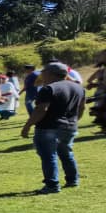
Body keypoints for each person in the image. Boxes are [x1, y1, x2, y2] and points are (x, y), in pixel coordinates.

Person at [21, 62, 86, 194]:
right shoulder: (79, 88)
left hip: (48, 128)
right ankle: (72, 179)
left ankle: (52, 185)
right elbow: (81, 108)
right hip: (70, 127)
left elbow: (41, 110)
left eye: (43, 72)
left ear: (50, 73)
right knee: (66, 153)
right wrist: (74, 121)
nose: (41, 75)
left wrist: (27, 126)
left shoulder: (48, 89)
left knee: (48, 156)